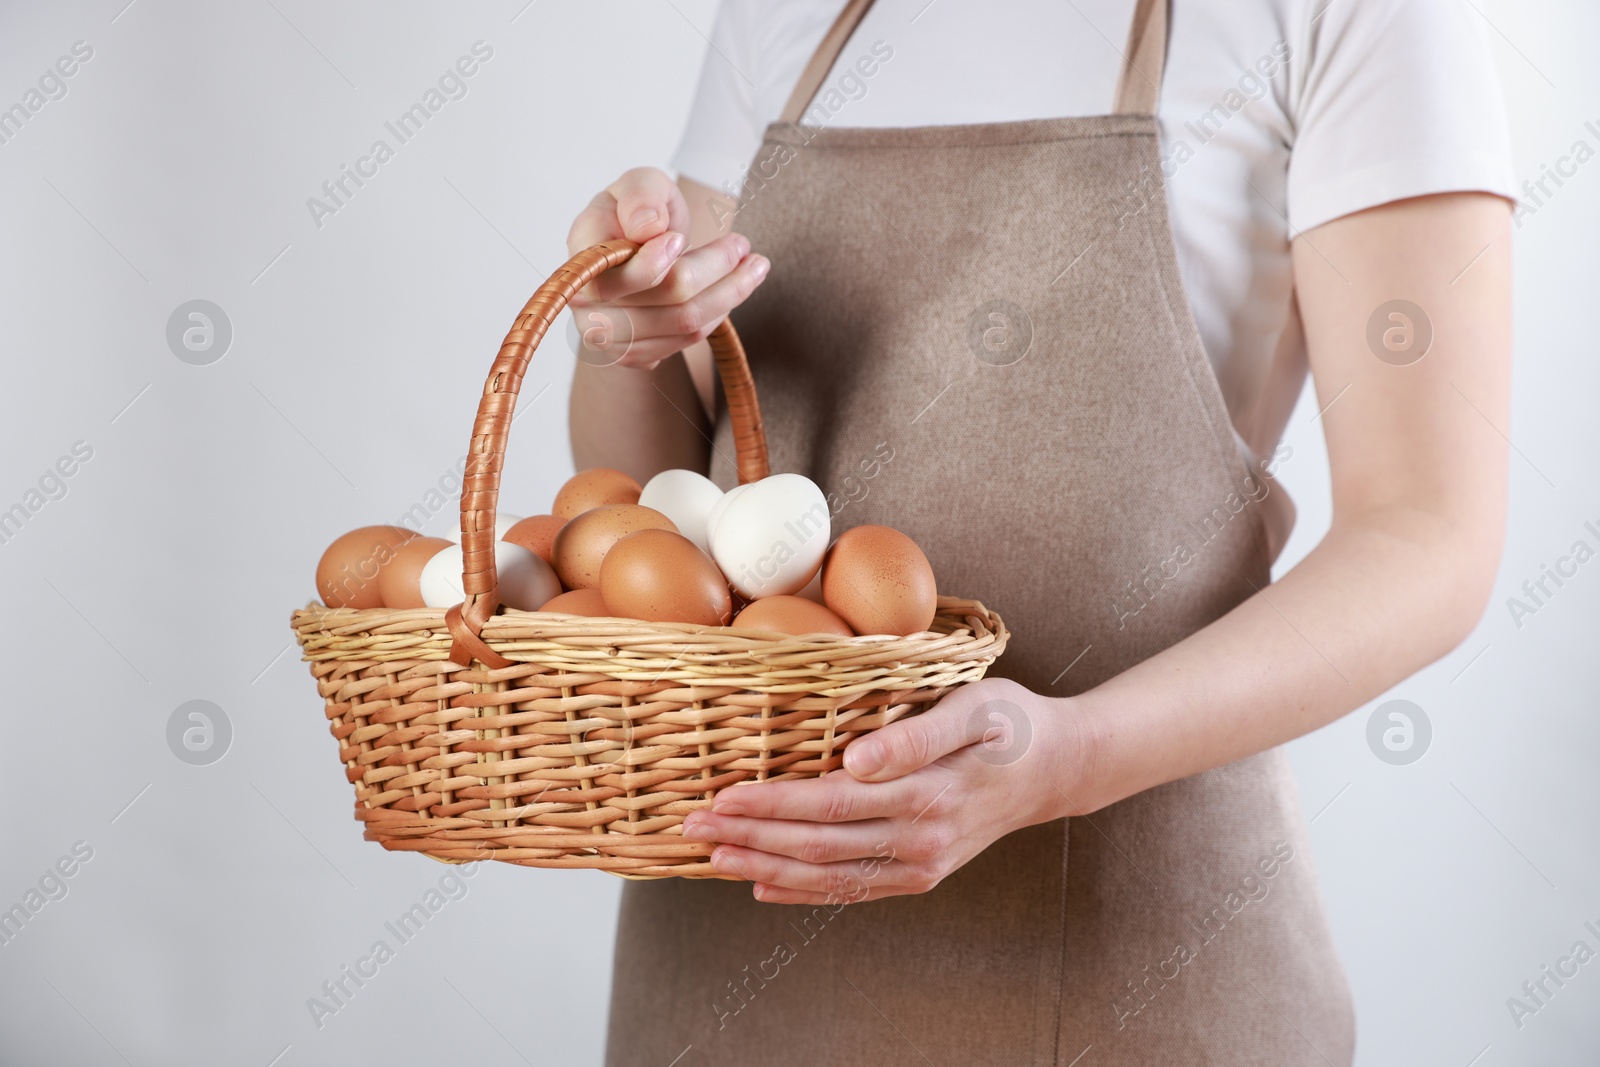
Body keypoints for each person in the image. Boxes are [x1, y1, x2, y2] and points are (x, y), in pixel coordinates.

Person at [564, 1, 1515, 1063]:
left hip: (1129, 966)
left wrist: (1074, 756)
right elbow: (658, 494)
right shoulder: (787, 15)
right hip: (722, 962)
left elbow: (1427, 531)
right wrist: (618, 332)